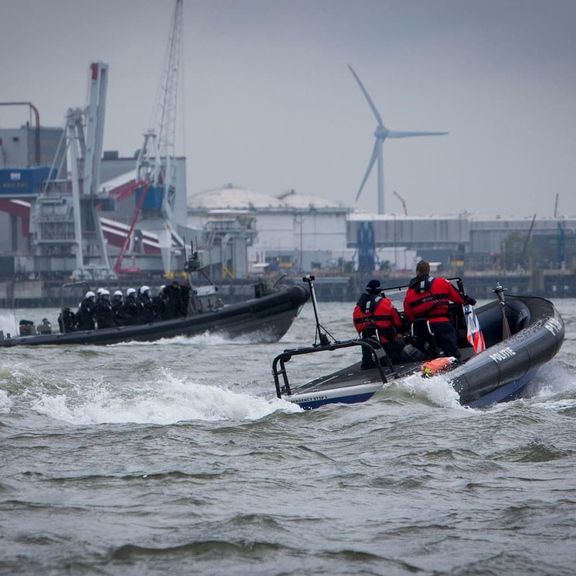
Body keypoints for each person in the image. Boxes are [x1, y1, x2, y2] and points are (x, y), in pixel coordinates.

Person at [403, 260, 476, 359]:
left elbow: (409, 314)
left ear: (417, 271)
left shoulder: (409, 292)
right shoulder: (442, 283)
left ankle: (430, 360)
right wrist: (468, 300)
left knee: (426, 352)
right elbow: (459, 299)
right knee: (452, 352)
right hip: (442, 324)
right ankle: (454, 362)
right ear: (429, 270)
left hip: (422, 328)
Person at [353, 279, 404, 368]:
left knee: (368, 361)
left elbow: (357, 325)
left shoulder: (358, 306)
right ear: (380, 290)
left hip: (367, 344)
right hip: (385, 342)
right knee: (399, 346)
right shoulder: (385, 303)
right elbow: (397, 321)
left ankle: (368, 366)